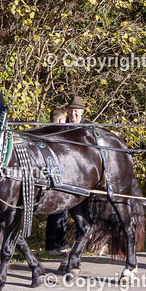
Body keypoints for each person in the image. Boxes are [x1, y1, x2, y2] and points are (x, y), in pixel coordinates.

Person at [45, 97, 86, 255]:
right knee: (57, 210)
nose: (72, 114)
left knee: (82, 214)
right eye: (70, 111)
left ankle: (78, 244)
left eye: (76, 111)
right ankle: (54, 244)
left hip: (83, 177)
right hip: (64, 175)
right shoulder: (63, 126)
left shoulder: (88, 128)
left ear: (82, 112)